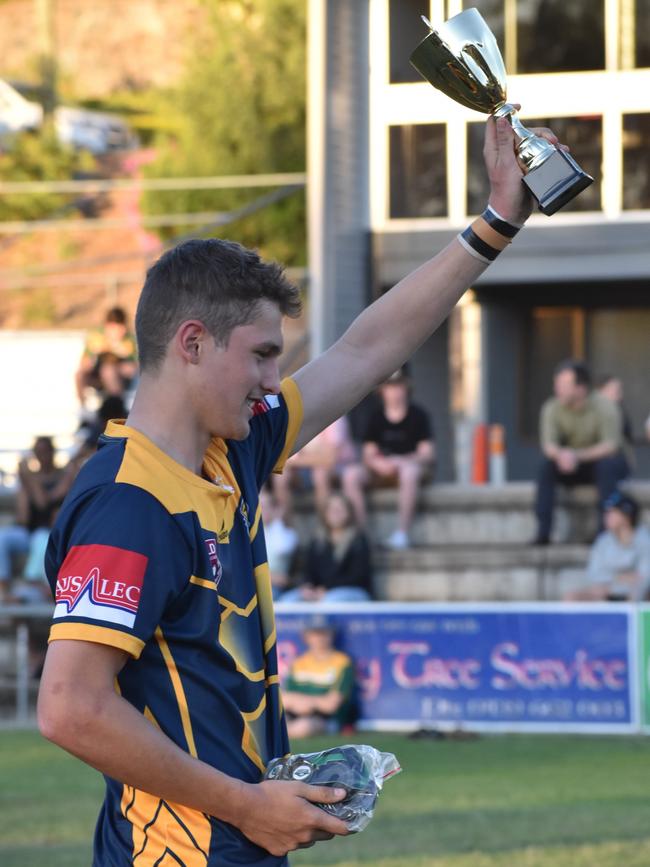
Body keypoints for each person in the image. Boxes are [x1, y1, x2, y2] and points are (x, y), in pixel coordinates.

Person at [37, 114, 562, 864]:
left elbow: (366, 347)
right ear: (191, 344)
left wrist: (497, 222)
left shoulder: (231, 451)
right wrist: (248, 805)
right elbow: (69, 708)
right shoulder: (130, 502)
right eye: (258, 356)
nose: (268, 381)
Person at [533, 359, 629, 545]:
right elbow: (548, 445)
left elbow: (611, 446)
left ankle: (604, 534)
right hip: (570, 464)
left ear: (581, 388)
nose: (557, 388)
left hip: (603, 463)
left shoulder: (605, 406)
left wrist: (576, 456)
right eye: (557, 383)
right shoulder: (551, 407)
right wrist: (562, 456)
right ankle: (543, 532)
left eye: (563, 384)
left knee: (607, 466)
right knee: (546, 467)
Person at [342, 367, 435, 549]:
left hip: (409, 469)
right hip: (382, 471)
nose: (395, 392)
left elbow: (428, 453)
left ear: (407, 388)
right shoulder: (375, 417)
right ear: (382, 391)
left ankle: (402, 533)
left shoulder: (418, 415)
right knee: (351, 475)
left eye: (399, 386)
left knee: (410, 471)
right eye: (390, 387)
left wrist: (404, 460)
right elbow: (368, 453)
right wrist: (378, 463)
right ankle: (362, 535)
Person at [0, 436, 75, 603]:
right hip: (28, 532)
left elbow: (44, 502)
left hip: (50, 532)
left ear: (52, 452)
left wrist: (29, 479)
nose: (42, 456)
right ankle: (4, 591)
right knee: (2, 537)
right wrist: (25, 482)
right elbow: (23, 517)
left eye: (45, 451)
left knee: (41, 537)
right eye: (38, 452)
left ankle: (34, 584)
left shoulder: (63, 476)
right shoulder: (29, 478)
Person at [280, 492, 373, 603]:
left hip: (354, 591)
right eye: (332, 509)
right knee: (287, 600)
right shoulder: (318, 540)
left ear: (349, 512)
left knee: (329, 601)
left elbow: (357, 577)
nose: (336, 513)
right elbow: (309, 571)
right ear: (325, 513)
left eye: (340, 509)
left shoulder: (358, 540)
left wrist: (326, 589)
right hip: (321, 592)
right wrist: (308, 587)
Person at [565, 491, 650, 601]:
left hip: (638, 595)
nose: (606, 516)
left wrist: (616, 585)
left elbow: (644, 578)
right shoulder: (603, 541)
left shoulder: (644, 540)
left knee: (639, 594)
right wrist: (619, 578)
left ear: (627, 516)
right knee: (572, 597)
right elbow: (594, 574)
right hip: (607, 592)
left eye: (612, 512)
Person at [282, 616, 356, 738]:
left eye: (324, 633)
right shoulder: (299, 663)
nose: (320, 638)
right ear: (306, 637)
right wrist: (311, 702)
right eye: (315, 634)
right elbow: (285, 699)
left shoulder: (342, 662)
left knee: (303, 727)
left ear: (332, 635)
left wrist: (307, 703)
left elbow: (332, 705)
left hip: (327, 719)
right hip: (295, 715)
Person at [272, 415, 357, 521]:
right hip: (306, 469)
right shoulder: (299, 415)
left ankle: (326, 526)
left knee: (319, 474)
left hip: (339, 466)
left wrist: (295, 460)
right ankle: (283, 529)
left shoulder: (334, 415)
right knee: (280, 475)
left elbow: (329, 459)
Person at [75, 306, 138, 407]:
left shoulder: (129, 340)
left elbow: (136, 366)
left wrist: (117, 349)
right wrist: (92, 360)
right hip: (98, 377)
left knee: (108, 370)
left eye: (121, 328)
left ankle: (116, 408)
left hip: (120, 379)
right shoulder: (96, 338)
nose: (118, 332)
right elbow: (84, 362)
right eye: (114, 328)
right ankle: (84, 409)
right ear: (107, 326)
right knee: (79, 375)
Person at [259, 485, 299, 600]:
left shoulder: (288, 534)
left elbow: (280, 549)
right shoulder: (247, 534)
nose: (262, 511)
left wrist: (278, 519)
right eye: (259, 506)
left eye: (266, 507)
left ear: (276, 509)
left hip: (277, 588)